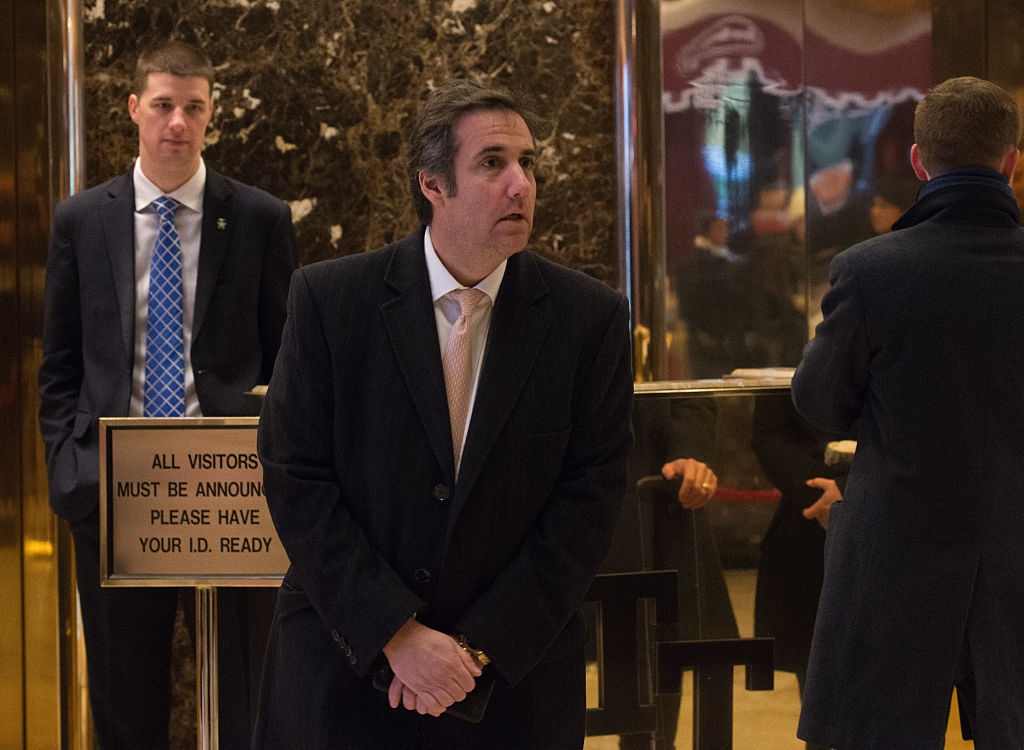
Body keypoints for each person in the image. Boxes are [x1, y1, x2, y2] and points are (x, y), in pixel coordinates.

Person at [252, 79, 634, 748]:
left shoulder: (588, 320)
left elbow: (589, 502)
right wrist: (395, 634)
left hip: (511, 686)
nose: (521, 183)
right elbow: (296, 476)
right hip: (347, 670)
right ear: (432, 183)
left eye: (528, 162)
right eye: (492, 163)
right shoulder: (330, 301)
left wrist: (474, 652)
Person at [37, 40, 297, 749]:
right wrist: (72, 470)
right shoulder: (82, 220)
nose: (177, 122)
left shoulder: (259, 219)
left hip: (231, 496)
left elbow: (288, 364)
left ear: (212, 115)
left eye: (193, 107)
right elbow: (59, 363)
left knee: (247, 701)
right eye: (163, 105)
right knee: (126, 705)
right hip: (115, 490)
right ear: (134, 110)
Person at [791, 76, 1024, 748]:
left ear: (919, 163)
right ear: (1011, 161)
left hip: (894, 557)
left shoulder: (869, 270)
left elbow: (820, 402)